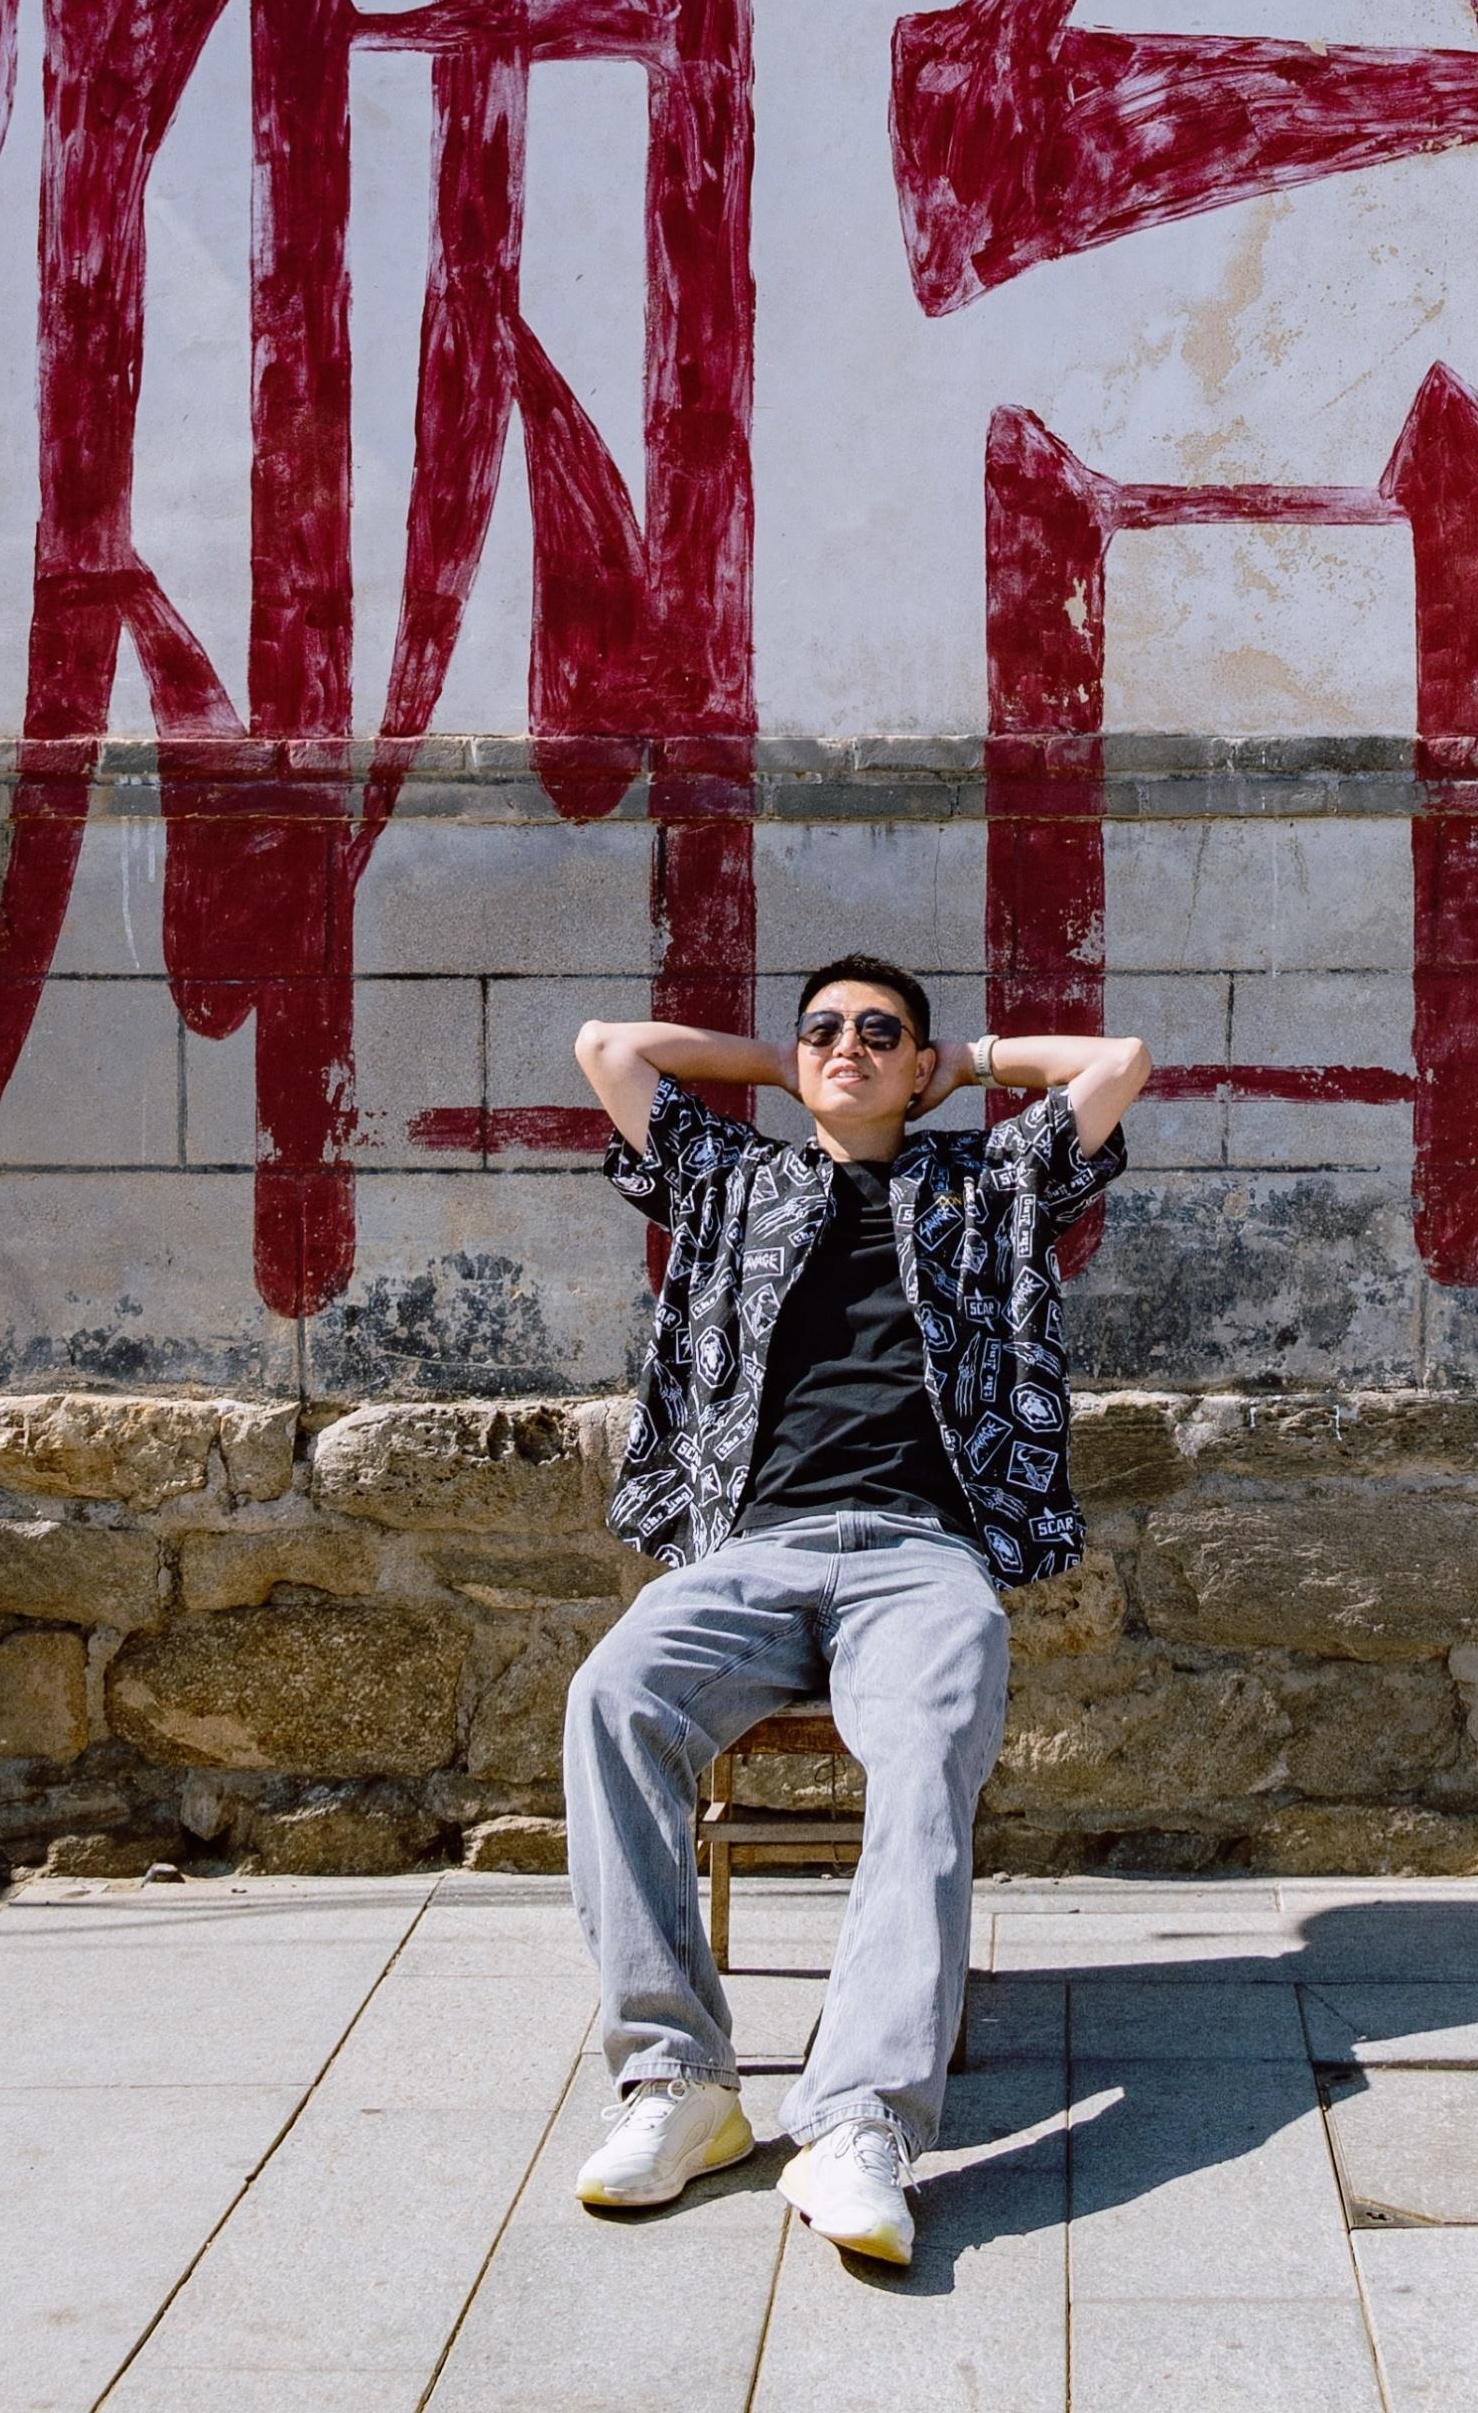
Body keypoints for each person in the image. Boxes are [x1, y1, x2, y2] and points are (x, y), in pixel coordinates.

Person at [560, 957, 1147, 2269]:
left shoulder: (985, 1182)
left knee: (931, 1737)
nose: (849, 1045)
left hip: (918, 1557)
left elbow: (1115, 1064)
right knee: (612, 1696)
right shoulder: (735, 1178)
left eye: (880, 1034)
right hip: (748, 1551)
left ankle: (861, 2117)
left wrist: (971, 1060)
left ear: (917, 1062)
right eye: (826, 1027)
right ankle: (678, 2085)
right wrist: (780, 1065)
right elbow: (609, 1044)